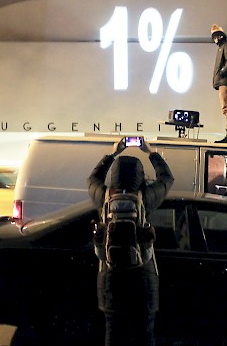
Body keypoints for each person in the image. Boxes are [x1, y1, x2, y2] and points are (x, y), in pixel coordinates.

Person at [87, 136, 174, 346]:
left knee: (113, 335)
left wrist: (112, 153)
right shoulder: (146, 197)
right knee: (144, 336)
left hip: (111, 279)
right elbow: (167, 178)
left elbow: (92, 179)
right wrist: (150, 152)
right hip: (143, 279)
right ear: (140, 176)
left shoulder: (104, 197)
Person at [210, 23, 227, 143]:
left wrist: (221, 73)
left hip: (226, 81)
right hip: (224, 81)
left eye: (217, 36)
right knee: (226, 108)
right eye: (214, 37)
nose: (216, 39)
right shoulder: (224, 46)